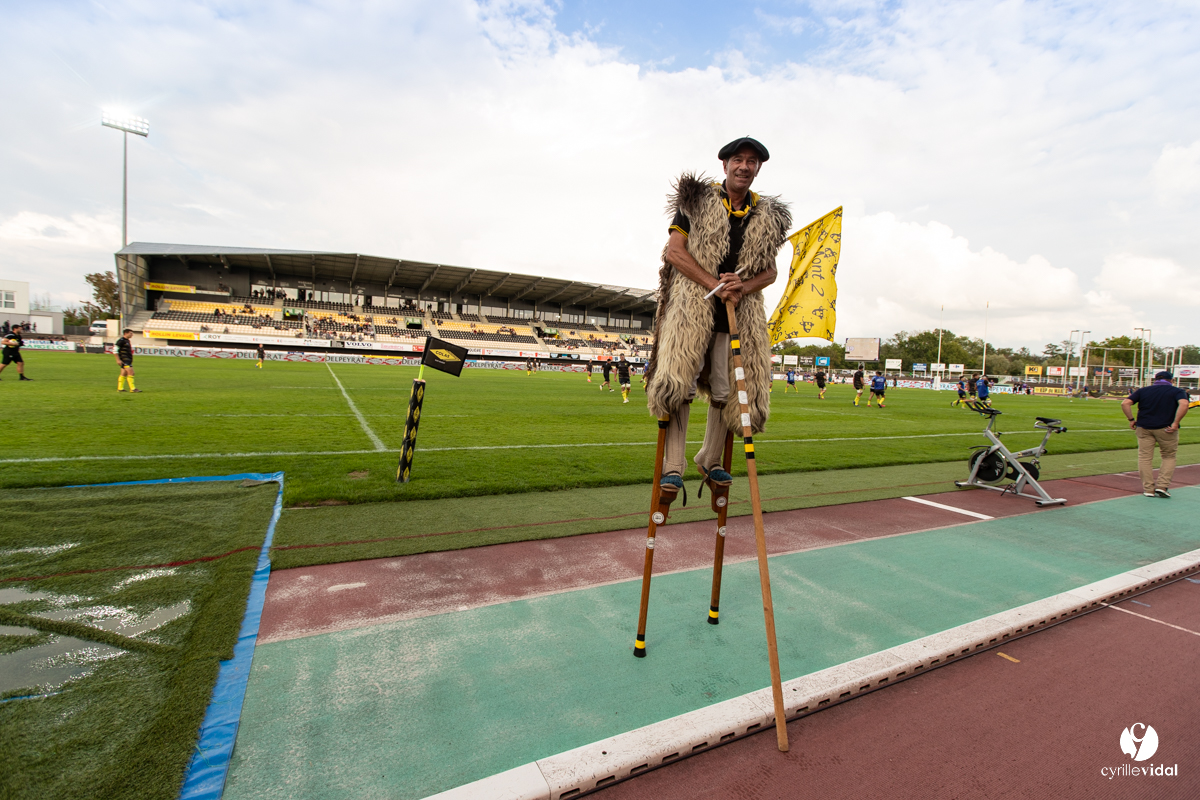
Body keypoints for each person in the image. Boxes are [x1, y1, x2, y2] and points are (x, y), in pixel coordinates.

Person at [644, 136, 791, 496]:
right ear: (725, 165)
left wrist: (741, 286)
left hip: (738, 313)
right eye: (738, 160)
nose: (744, 166)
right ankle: (673, 466)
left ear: (758, 169)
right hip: (692, 308)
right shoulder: (697, 201)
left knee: (729, 390)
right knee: (680, 383)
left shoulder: (767, 215)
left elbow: (770, 273)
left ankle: (709, 459)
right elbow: (675, 252)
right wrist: (714, 283)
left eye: (752, 162)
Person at [1121, 371, 1190, 498]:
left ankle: (1148, 488)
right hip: (1166, 428)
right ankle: (1162, 486)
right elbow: (1184, 404)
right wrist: (1176, 423)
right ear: (1171, 380)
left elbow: (1125, 403)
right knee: (1168, 456)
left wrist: (1131, 419)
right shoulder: (1176, 391)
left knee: (1145, 458)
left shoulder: (1144, 390)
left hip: (1144, 427)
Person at [115, 328, 141, 392]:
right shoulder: (121, 340)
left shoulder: (127, 341)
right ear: (126, 333)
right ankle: (132, 388)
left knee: (123, 374)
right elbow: (114, 350)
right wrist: (118, 360)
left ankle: (120, 388)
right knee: (131, 373)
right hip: (124, 360)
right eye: (130, 333)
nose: (132, 335)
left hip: (127, 359)